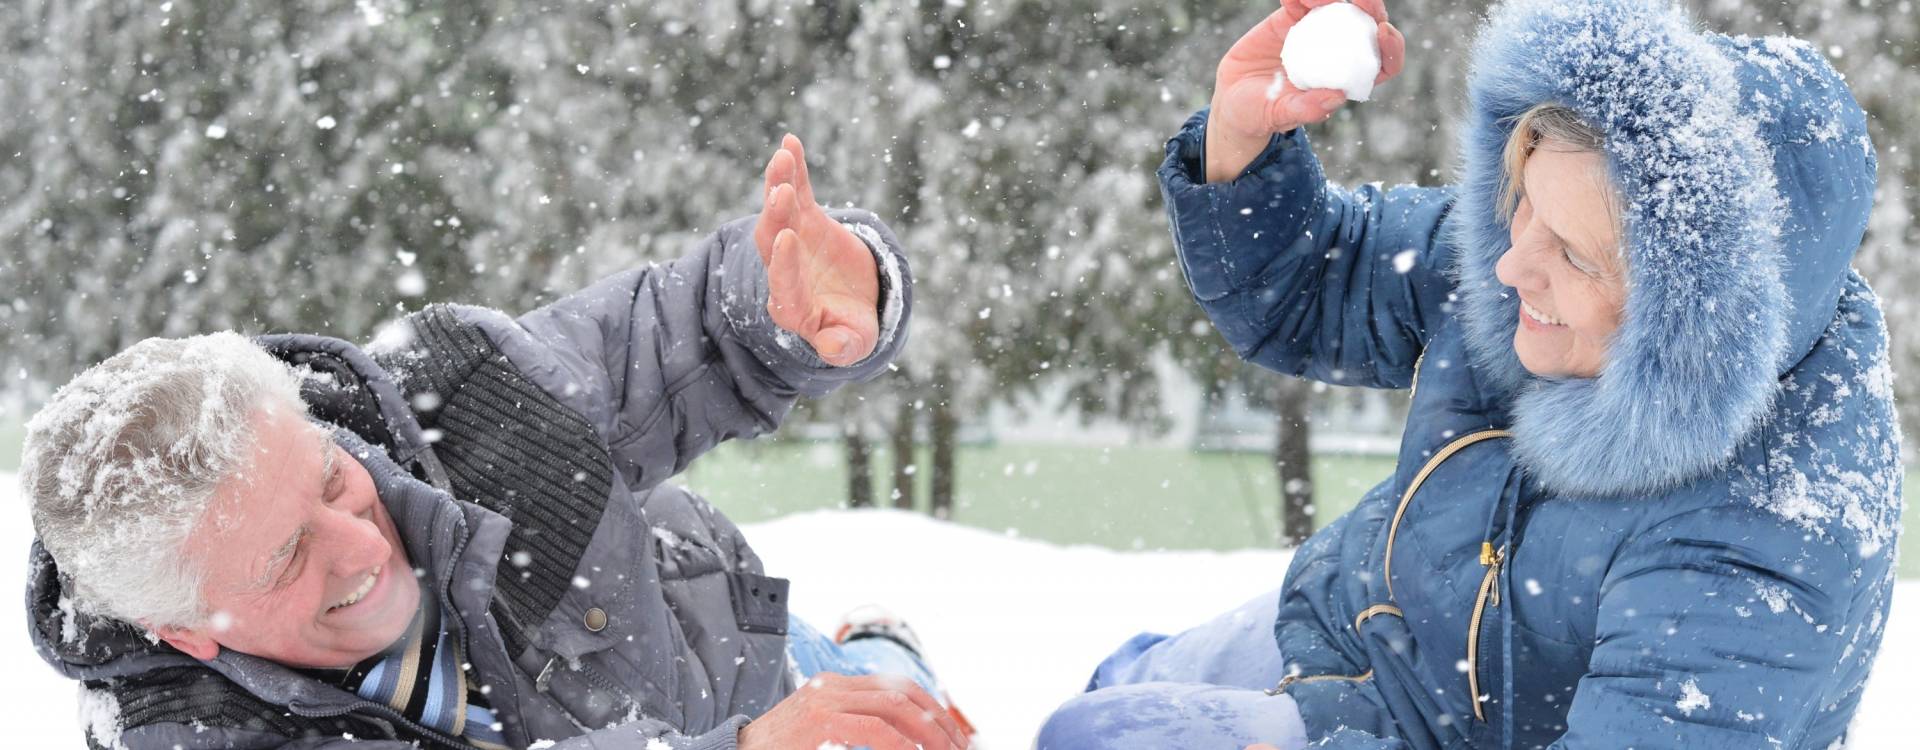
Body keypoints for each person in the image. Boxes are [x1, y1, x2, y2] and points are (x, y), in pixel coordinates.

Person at [1040, 0, 1899, 747]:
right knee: (1116, 685)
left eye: (1572, 252)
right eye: (1523, 198)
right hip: (1351, 621)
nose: (1510, 266)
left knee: (1085, 738)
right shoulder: (1526, 252)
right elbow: (1307, 285)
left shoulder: (1761, 553)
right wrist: (1243, 134)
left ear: (1690, 316)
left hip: (1421, 725)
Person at [24, 135, 974, 750]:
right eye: (283, 558)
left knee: (897, 700)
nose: (363, 542)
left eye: (328, 480)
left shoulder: (454, 393)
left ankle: (881, 647)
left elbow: (679, 337)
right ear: (186, 633)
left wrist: (795, 308)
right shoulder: (190, 738)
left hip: (721, 635)